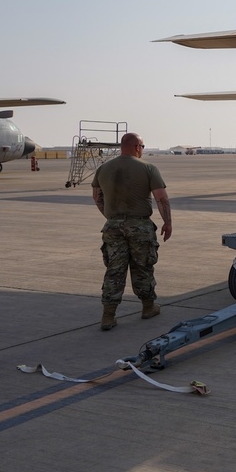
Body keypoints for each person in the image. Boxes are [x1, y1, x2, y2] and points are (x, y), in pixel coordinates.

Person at [91, 133, 172, 331]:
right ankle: (148, 307)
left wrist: (111, 218)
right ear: (137, 147)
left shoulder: (103, 169)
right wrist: (167, 222)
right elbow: (161, 198)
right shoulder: (148, 168)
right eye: (143, 146)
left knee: (114, 270)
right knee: (142, 266)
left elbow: (97, 197)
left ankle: (108, 316)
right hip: (140, 226)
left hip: (113, 226)